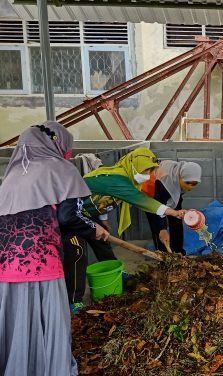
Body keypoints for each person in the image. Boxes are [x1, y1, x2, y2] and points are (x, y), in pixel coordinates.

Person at [0, 122, 109, 376]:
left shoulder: (12, 176)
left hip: (6, 263)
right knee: (49, 319)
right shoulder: (61, 169)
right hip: (40, 260)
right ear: (58, 144)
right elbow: (68, 217)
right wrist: (95, 230)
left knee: (16, 321)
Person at [62, 148, 186, 311]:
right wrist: (173, 212)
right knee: (77, 254)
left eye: (151, 171)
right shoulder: (117, 179)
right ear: (134, 164)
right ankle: (74, 300)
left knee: (103, 243)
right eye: (146, 170)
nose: (148, 175)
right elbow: (142, 201)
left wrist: (102, 220)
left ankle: (116, 274)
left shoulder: (124, 179)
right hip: (68, 217)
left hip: (86, 213)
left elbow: (103, 198)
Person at [143, 160, 202, 254]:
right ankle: (163, 254)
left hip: (168, 191)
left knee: (177, 219)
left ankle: (178, 252)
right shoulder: (163, 184)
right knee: (160, 231)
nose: (190, 187)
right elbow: (154, 209)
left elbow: (177, 199)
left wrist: (177, 213)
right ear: (180, 178)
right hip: (152, 198)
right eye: (187, 183)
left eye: (194, 184)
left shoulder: (179, 173)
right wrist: (161, 229)